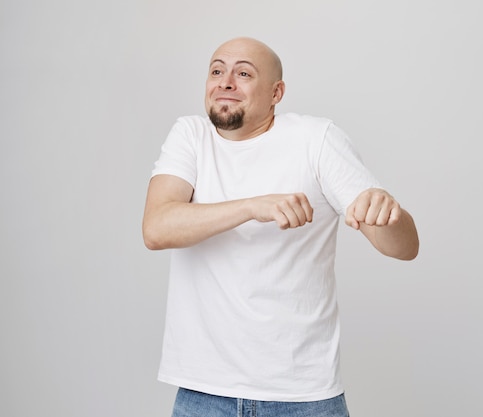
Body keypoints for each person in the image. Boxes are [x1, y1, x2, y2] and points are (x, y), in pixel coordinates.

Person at [142, 36, 419, 417]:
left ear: (277, 92)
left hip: (303, 396)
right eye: (217, 70)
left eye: (243, 73)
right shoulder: (191, 136)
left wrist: (389, 213)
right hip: (203, 393)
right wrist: (254, 206)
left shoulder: (316, 140)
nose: (225, 82)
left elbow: (402, 248)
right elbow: (156, 228)